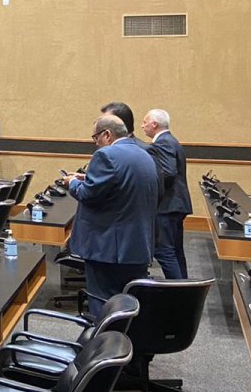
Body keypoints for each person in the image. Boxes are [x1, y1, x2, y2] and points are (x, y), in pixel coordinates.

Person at [65, 115, 159, 316]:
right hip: (137, 244)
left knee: (103, 303)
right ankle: (126, 344)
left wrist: (72, 182)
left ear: (107, 134)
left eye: (95, 138)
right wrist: (88, 178)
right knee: (129, 303)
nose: (96, 143)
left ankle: (103, 345)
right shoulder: (145, 154)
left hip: (108, 249)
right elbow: (122, 186)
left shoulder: (106, 156)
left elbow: (87, 195)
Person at [142, 109, 192, 279]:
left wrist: (147, 184)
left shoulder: (162, 143)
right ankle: (185, 288)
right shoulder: (171, 140)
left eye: (145, 122)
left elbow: (168, 172)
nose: (143, 126)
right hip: (177, 204)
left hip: (167, 205)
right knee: (175, 251)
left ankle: (178, 291)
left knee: (164, 251)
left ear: (154, 124)